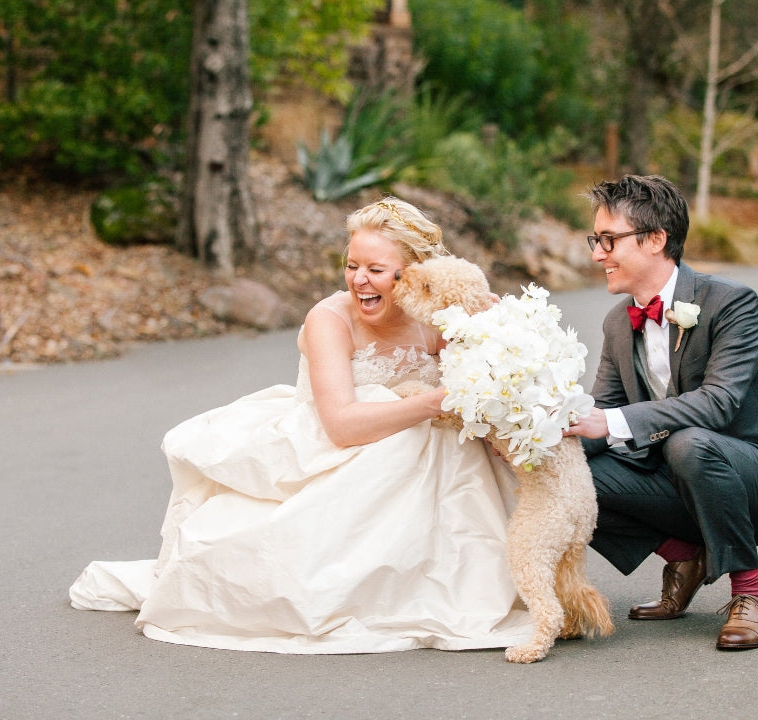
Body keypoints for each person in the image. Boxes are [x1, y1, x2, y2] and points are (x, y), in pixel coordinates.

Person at [69, 197, 533, 653]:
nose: (359, 280)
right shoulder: (329, 319)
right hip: (331, 448)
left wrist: (488, 331)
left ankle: (454, 578)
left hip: (423, 462)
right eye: (352, 265)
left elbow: (481, 387)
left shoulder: (433, 317)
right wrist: (436, 400)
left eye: (375, 268)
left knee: (446, 446)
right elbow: (342, 425)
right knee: (410, 440)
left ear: (411, 272)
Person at [564, 174, 758, 650]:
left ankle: (752, 593)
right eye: (595, 240)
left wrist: (613, 422)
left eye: (608, 240)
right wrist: (541, 440)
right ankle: (685, 556)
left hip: (756, 477)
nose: (597, 253)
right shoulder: (618, 323)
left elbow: (720, 403)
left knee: (689, 441)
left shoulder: (730, 302)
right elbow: (603, 413)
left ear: (656, 238)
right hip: (679, 480)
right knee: (567, 469)